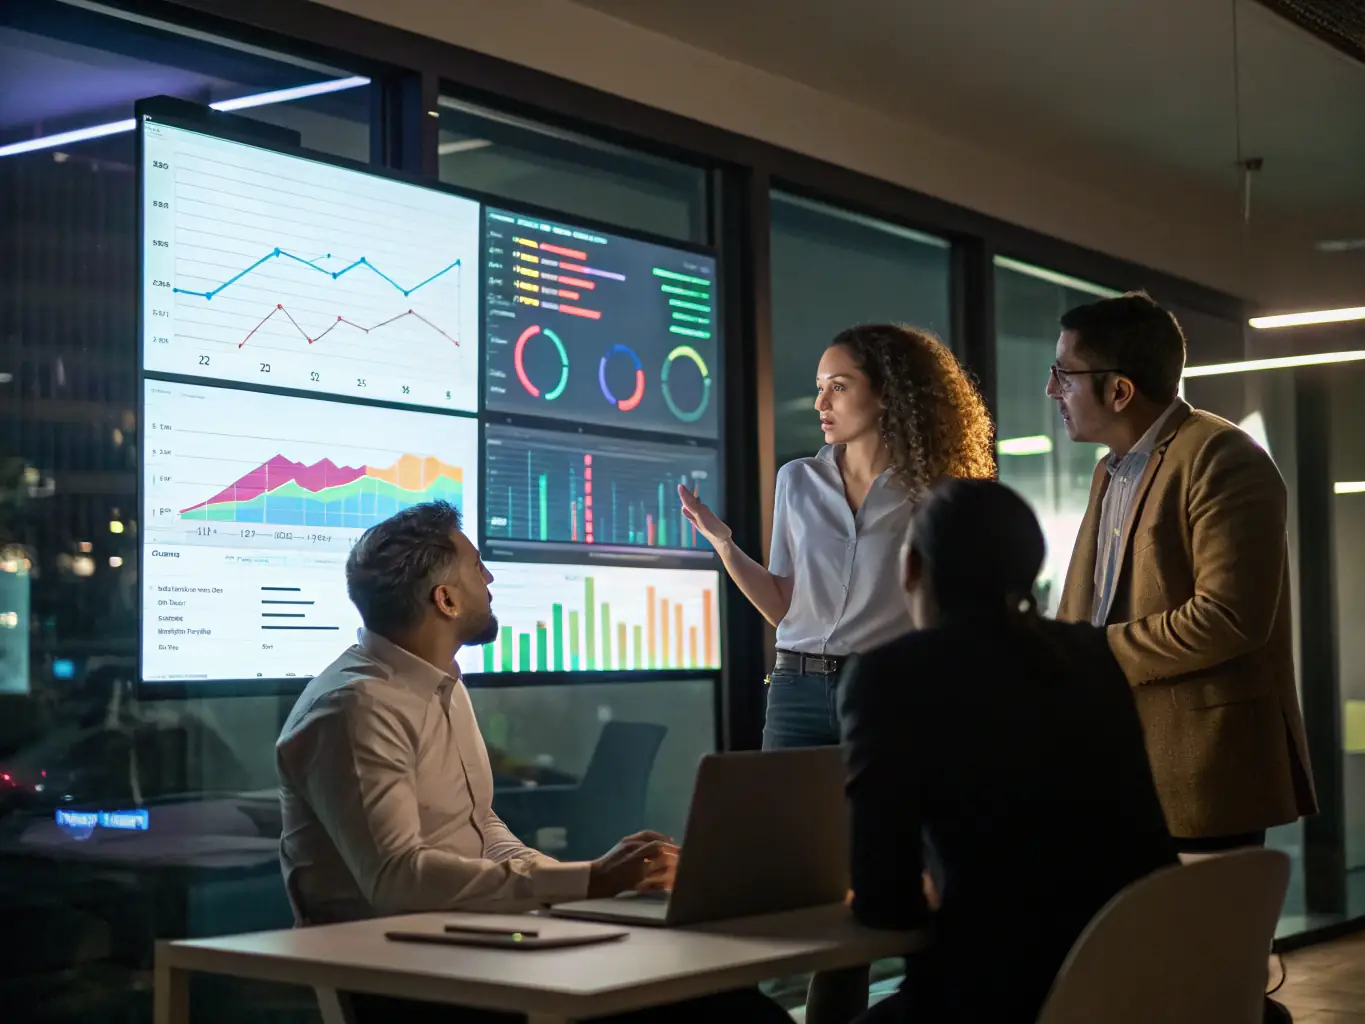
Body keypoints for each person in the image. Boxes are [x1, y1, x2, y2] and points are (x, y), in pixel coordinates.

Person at [276, 500, 791, 1024]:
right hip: (410, 980)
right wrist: (587, 881)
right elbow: (398, 882)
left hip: (472, 945)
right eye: (478, 567)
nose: (492, 577)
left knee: (726, 996)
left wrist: (593, 882)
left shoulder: (441, 683)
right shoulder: (356, 706)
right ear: (446, 600)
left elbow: (480, 826)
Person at [679, 324, 994, 1024]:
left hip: (885, 696)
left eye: (838, 385)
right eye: (818, 386)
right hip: (794, 689)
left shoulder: (933, 488)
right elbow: (783, 602)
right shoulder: (798, 479)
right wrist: (725, 548)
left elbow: (943, 607)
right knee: (781, 873)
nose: (821, 400)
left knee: (871, 880)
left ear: (887, 394)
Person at [1049, 292, 1315, 1024]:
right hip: (1116, 765)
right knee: (1143, 979)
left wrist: (1091, 655)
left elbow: (1228, 619)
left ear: (1118, 388)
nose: (1051, 391)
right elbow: (1097, 603)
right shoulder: (1112, 469)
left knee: (1208, 985)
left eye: (1062, 374)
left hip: (1203, 764)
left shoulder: (1222, 456)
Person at [839, 478, 1178, 1023]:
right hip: (1135, 984)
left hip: (992, 998)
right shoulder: (1089, 656)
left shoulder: (888, 676)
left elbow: (885, 903)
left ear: (912, 570)